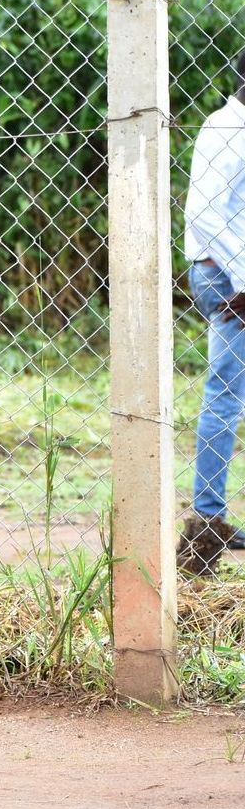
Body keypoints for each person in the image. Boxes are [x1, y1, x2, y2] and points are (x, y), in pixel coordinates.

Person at [184, 48, 245, 552]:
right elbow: (204, 212)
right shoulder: (229, 128)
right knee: (226, 392)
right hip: (226, 278)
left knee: (229, 391)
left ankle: (210, 517)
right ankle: (207, 522)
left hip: (229, 273)